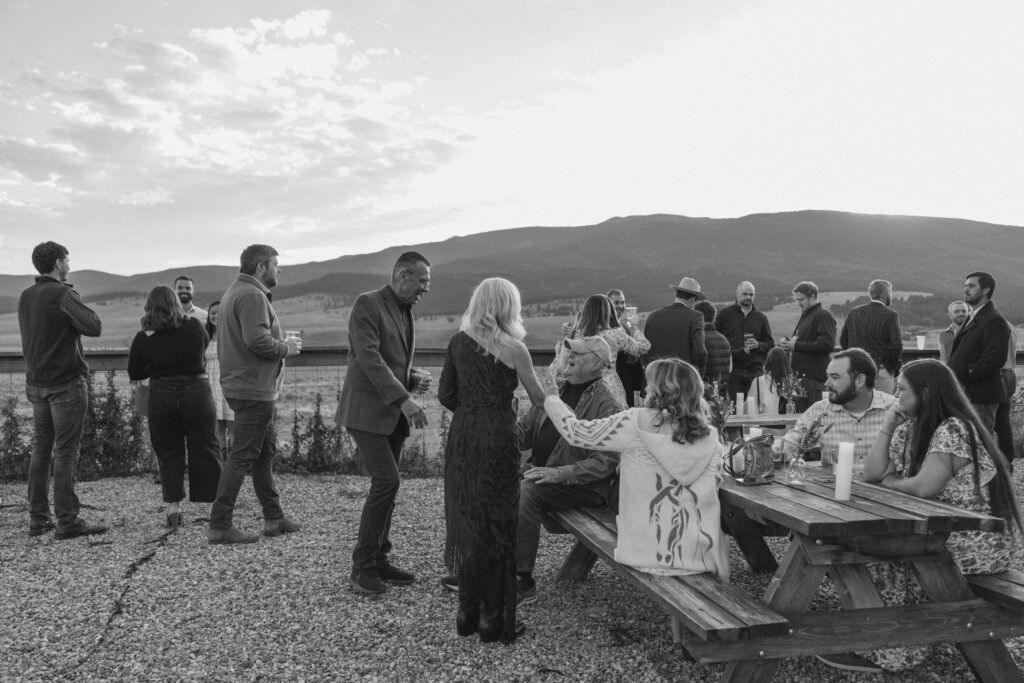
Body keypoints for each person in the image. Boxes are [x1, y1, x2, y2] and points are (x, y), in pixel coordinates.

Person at [862, 359, 1021, 672]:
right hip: (945, 532)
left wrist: (893, 483)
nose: (896, 395)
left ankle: (899, 650)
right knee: (873, 550)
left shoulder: (955, 428)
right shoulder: (909, 428)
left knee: (888, 555)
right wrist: (887, 426)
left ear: (925, 392)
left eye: (902, 389)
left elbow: (923, 487)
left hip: (979, 539)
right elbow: (871, 474)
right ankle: (893, 640)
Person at [542, 357, 728, 580]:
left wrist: (553, 398)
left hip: (643, 553)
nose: (646, 386)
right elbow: (716, 482)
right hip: (697, 556)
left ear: (660, 389)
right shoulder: (710, 437)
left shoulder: (635, 422)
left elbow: (577, 433)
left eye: (651, 382)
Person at [438, 277, 547, 643]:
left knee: (470, 522)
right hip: (499, 437)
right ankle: (492, 618)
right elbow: (538, 397)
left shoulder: (457, 343)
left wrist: (471, 411)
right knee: (499, 526)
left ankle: (466, 612)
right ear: (508, 307)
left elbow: (445, 394)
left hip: (463, 436)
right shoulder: (515, 349)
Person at [337, 251, 432, 595]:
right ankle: (361, 567)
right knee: (387, 482)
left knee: (389, 487)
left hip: (389, 413)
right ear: (403, 276)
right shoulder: (368, 303)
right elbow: (369, 358)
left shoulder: (405, 311)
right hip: (365, 412)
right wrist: (404, 398)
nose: (425, 288)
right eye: (422, 280)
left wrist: (411, 377)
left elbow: (392, 360)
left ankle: (379, 559)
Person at [514, 335, 621, 608]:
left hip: (583, 487)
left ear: (597, 363)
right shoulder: (556, 393)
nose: (569, 357)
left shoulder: (607, 404)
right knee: (495, 480)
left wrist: (559, 473)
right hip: (546, 475)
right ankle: (485, 565)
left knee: (527, 489)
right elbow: (523, 434)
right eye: (569, 352)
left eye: (578, 354)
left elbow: (605, 462)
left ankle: (522, 580)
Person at [208, 244, 302, 545]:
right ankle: (220, 524)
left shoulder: (235, 291)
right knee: (242, 456)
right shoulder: (251, 295)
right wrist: (287, 349)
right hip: (253, 389)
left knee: (263, 453)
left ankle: (273, 516)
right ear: (261, 266)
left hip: (248, 386)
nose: (279, 269)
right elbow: (257, 340)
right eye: (276, 264)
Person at [18, 241, 107, 539]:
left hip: (36, 383)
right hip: (65, 383)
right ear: (58, 263)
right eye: (67, 260)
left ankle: (38, 519)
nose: (69, 265)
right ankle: (68, 521)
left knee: (41, 450)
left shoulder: (26, 296)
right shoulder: (64, 294)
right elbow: (93, 326)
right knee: (66, 452)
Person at [128, 286, 222, 528]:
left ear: (150, 306)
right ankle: (216, 506)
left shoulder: (144, 337)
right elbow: (202, 349)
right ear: (175, 303)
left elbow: (135, 372)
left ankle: (173, 507)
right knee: (206, 446)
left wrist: (158, 366)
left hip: (161, 395)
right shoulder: (194, 326)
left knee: (168, 450)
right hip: (197, 391)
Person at [779, 349, 896, 472]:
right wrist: (771, 449)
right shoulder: (820, 410)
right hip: (833, 489)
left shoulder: (895, 410)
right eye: (828, 376)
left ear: (860, 380)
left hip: (882, 490)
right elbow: (791, 445)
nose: (826, 383)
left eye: (835, 377)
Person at [552, 294, 649, 407]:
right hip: (610, 387)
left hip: (582, 387)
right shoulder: (616, 334)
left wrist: (558, 353)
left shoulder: (574, 334)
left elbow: (562, 367)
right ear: (608, 312)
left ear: (587, 311)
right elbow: (644, 348)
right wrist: (634, 327)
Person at [947, 271, 1010, 432]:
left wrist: (965, 375)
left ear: (985, 290)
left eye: (971, 286)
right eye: (965, 286)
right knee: (968, 444)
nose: (966, 290)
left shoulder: (994, 320)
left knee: (979, 445)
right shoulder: (974, 315)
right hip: (968, 394)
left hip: (981, 396)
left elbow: (994, 359)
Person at [777, 281, 836, 412]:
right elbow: (803, 340)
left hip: (814, 381)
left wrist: (796, 345)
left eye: (801, 299)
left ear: (813, 297)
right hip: (804, 380)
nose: (798, 303)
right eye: (797, 300)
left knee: (814, 420)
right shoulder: (807, 315)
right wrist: (789, 343)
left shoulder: (823, 315)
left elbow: (827, 344)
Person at [839, 279, 903, 394]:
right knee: (883, 408)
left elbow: (843, 341)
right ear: (884, 294)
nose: (891, 295)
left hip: (856, 371)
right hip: (881, 371)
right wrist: (894, 369)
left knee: (858, 408)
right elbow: (897, 345)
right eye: (890, 292)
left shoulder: (853, 312)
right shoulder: (890, 315)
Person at [715, 281, 774, 403]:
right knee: (737, 409)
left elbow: (770, 344)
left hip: (755, 372)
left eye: (751, 294)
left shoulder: (761, 318)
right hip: (733, 372)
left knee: (756, 409)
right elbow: (716, 340)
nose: (748, 297)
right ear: (737, 294)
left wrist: (758, 345)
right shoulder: (724, 314)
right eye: (745, 294)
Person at [644, 276, 707, 374]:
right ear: (693, 299)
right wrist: (700, 375)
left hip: (654, 376)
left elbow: (645, 348)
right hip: (681, 379)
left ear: (676, 294)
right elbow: (699, 352)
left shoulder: (652, 316)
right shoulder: (695, 317)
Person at [204, 301, 234, 461]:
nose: (215, 316)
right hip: (210, 386)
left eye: (219, 312)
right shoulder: (205, 335)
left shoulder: (232, 334)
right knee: (217, 428)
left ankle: (235, 466)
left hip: (229, 384)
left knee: (233, 427)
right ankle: (221, 463)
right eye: (212, 313)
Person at [607, 289, 645, 407]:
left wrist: (633, 328)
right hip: (610, 379)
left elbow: (636, 350)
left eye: (622, 302)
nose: (621, 306)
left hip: (626, 378)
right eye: (616, 303)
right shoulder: (604, 325)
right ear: (608, 304)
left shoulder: (625, 327)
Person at [694, 300, 731, 389]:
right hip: (721, 394)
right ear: (713, 318)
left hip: (705, 392)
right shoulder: (724, 339)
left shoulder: (698, 339)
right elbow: (730, 368)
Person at [994, 322, 1018, 463]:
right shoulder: (1010, 326)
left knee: (986, 419)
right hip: (1009, 374)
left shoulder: (993, 324)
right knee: (1003, 421)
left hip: (998, 374)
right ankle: (1007, 459)